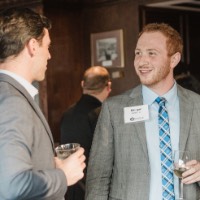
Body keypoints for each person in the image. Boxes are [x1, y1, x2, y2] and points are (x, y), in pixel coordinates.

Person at [85, 23, 200, 200]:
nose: (141, 61)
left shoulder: (197, 105)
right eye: (138, 53)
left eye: (151, 53)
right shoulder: (113, 109)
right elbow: (98, 178)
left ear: (174, 60)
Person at [0, 7, 86, 200]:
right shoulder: (12, 102)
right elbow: (11, 185)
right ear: (32, 46)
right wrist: (63, 176)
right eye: (47, 46)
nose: (49, 56)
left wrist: (47, 166)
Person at [60, 66, 111, 200]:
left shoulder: (67, 114)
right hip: (95, 190)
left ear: (83, 84)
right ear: (109, 86)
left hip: (69, 188)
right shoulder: (103, 114)